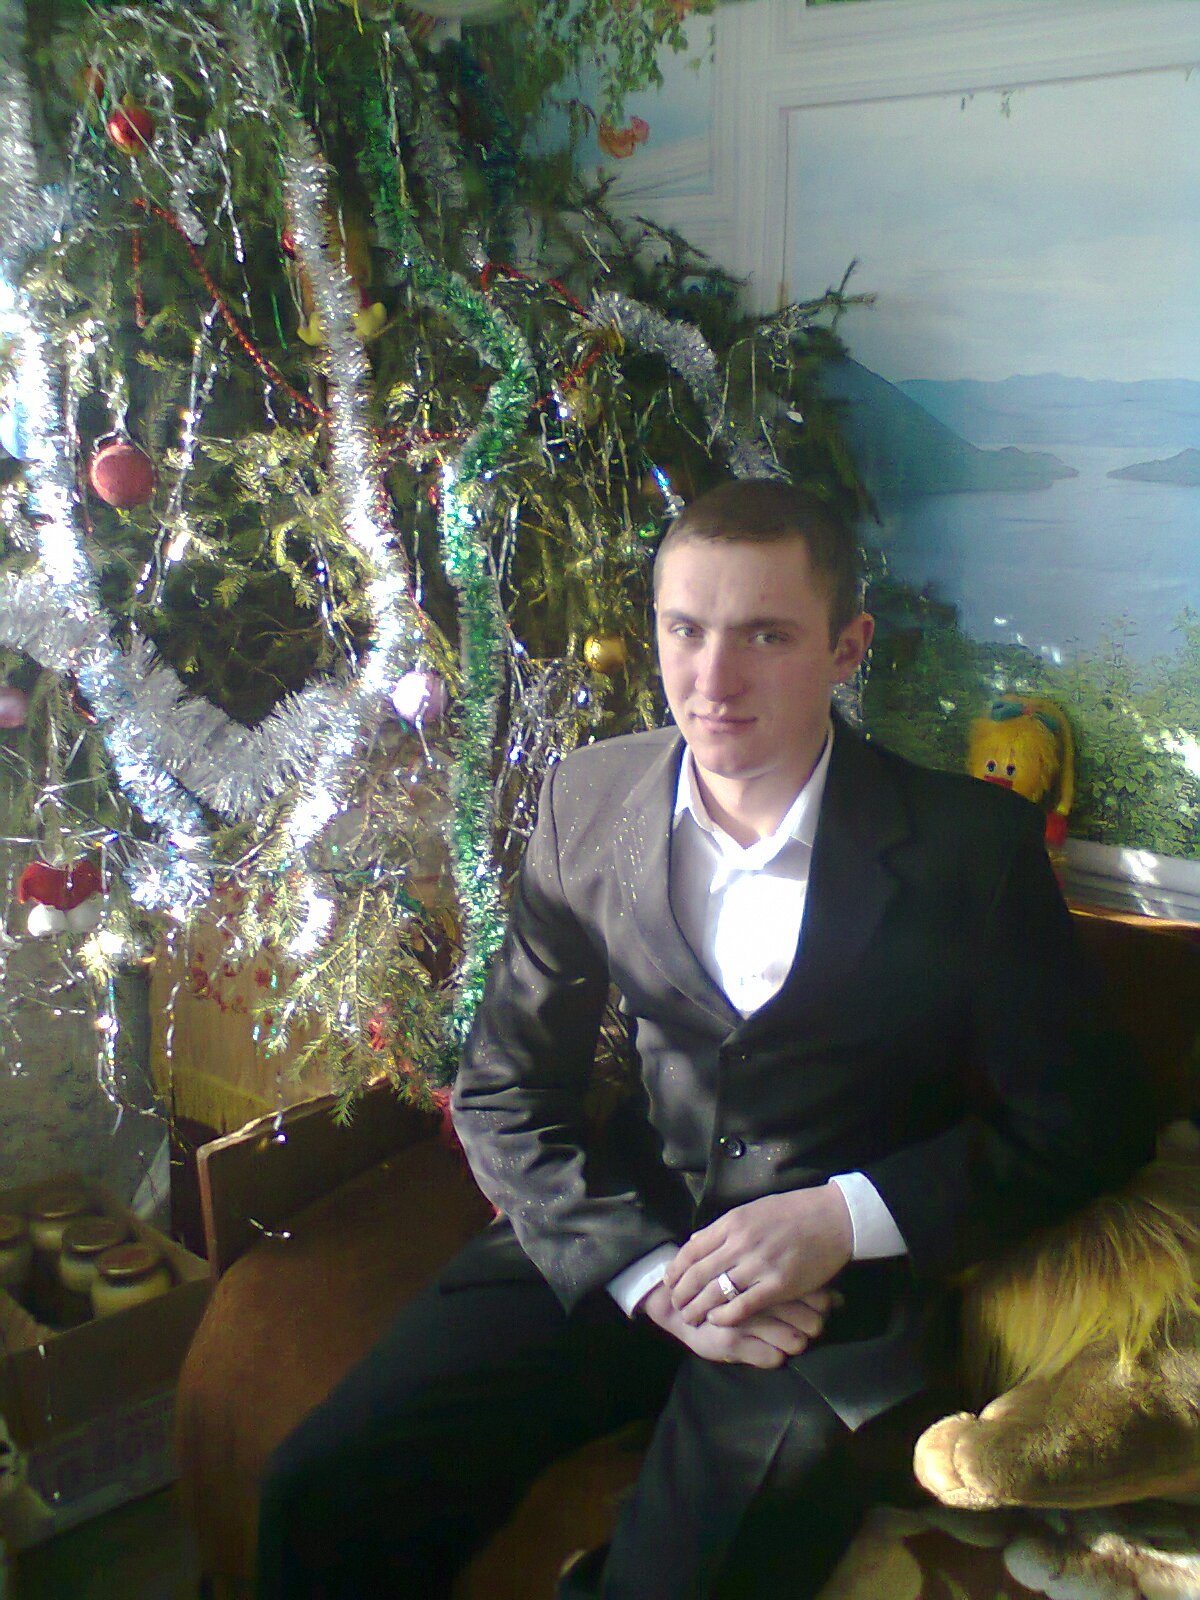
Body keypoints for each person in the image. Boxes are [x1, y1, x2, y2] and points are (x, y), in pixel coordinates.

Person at [256, 479, 1155, 1600]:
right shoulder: (588, 801)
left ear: (846, 648)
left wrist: (841, 1218)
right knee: (320, 1488)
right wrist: (641, 1273)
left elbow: (1089, 1120)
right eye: (684, 629)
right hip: (625, 1231)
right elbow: (502, 1089)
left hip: (834, 1300)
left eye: (765, 635)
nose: (712, 680)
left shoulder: (970, 848)